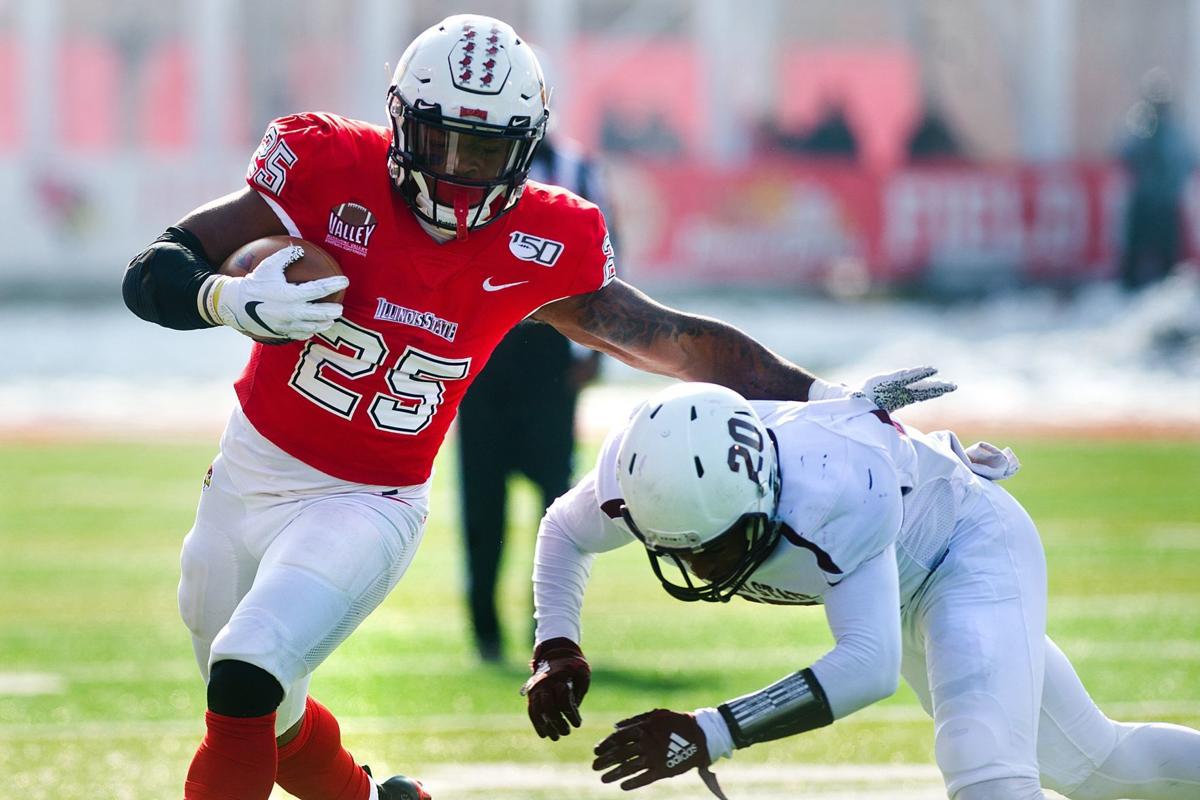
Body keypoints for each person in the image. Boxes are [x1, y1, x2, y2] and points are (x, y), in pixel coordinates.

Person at [119, 14, 955, 800]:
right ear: (398, 124)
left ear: (526, 151)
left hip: (366, 501)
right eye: (437, 141)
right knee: (274, 713)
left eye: (482, 153)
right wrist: (223, 298)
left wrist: (823, 396)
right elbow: (153, 267)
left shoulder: (543, 241)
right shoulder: (324, 164)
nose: (454, 172)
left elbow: (672, 340)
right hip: (247, 470)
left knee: (246, 669)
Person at [522, 382, 1200, 799]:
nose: (699, 568)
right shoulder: (641, 469)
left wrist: (711, 731)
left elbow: (867, 666)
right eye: (677, 550)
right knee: (1098, 768)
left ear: (763, 496)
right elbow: (564, 531)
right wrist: (556, 643)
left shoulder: (834, 489)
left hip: (962, 549)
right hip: (892, 587)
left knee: (985, 766)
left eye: (714, 546)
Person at [456, 134, 606, 663]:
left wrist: (594, 353)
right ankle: (485, 631)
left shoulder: (576, 166)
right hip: (481, 348)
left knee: (557, 505)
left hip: (547, 356)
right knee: (482, 504)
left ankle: (550, 628)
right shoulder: (457, 155)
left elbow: (606, 256)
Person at [1119, 68, 1195, 291]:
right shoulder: (1140, 125)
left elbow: (1188, 160)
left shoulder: (1174, 131)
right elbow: (1124, 152)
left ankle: (1166, 295)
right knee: (1134, 256)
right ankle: (1131, 290)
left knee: (1168, 257)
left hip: (1165, 204)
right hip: (1144, 202)